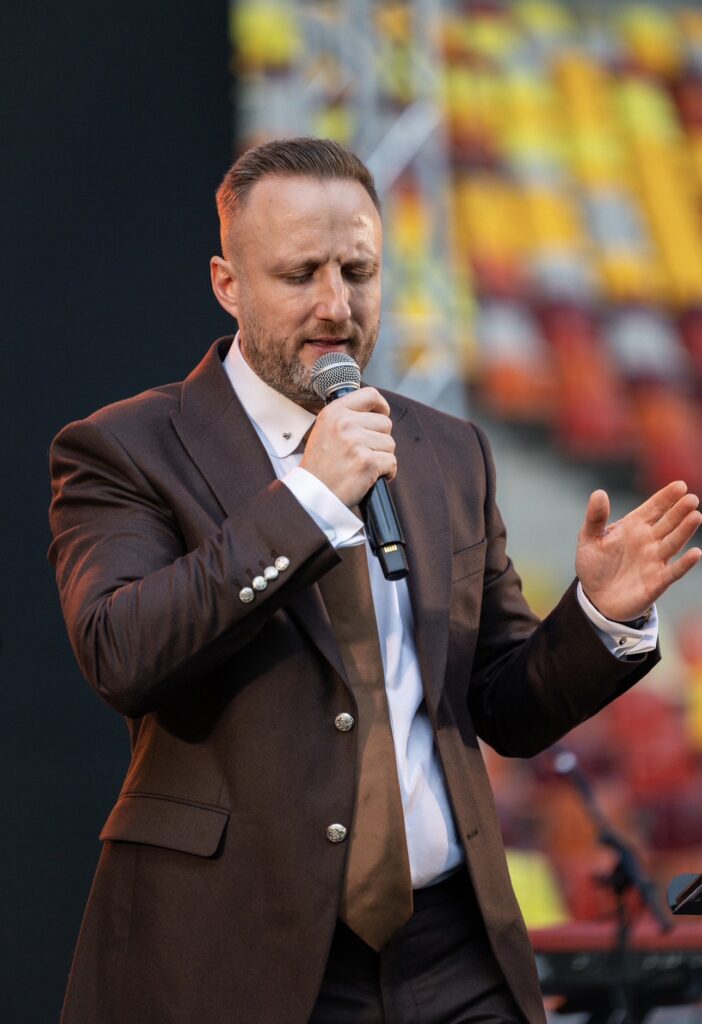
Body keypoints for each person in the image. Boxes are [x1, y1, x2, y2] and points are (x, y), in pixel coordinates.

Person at [49, 137, 701, 1024]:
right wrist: (309, 499)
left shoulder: (448, 451)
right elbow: (121, 652)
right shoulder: (126, 448)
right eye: (300, 274)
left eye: (358, 271)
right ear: (227, 284)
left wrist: (598, 618)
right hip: (247, 953)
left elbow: (504, 707)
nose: (336, 305)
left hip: (452, 951)